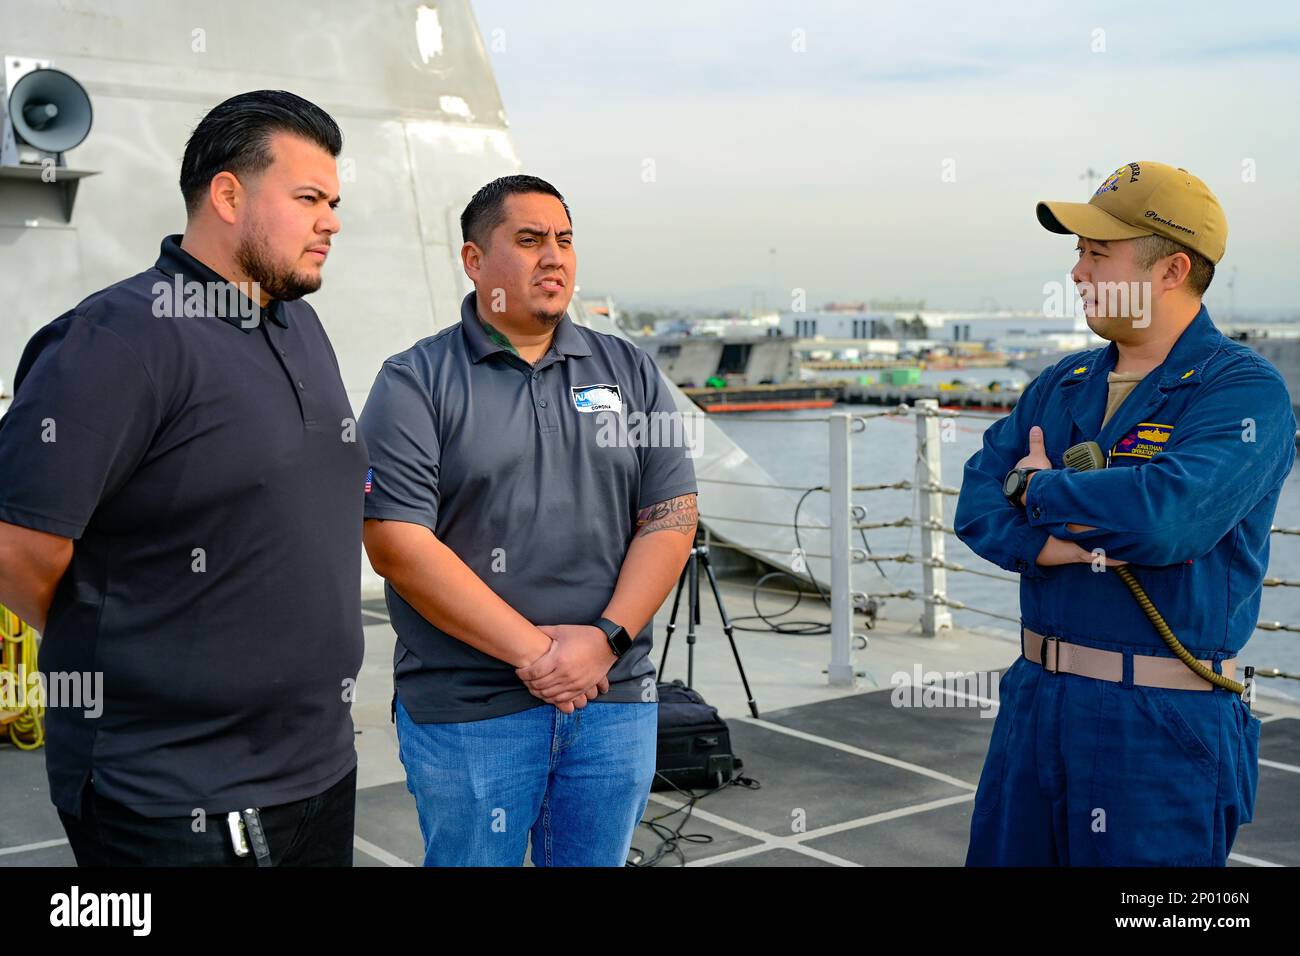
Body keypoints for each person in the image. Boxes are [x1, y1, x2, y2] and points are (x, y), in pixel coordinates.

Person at [0, 90, 366, 866]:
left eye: (333, 201)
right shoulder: (115, 342)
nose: (331, 220)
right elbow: (17, 549)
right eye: (308, 198)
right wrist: (144, 660)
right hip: (174, 802)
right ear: (228, 194)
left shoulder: (299, 323)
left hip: (321, 773)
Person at [956, 161, 1295, 866]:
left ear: (1171, 270)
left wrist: (1036, 491)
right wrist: (1050, 543)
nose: (1077, 271)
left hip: (1161, 727)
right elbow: (975, 499)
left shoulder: (1244, 393)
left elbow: (1165, 519)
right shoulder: (1063, 381)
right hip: (1035, 704)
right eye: (1079, 252)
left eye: (1097, 253)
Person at [360, 174, 698, 867]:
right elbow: (396, 542)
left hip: (613, 699)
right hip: (472, 712)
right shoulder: (414, 380)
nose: (555, 258)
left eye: (565, 241)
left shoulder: (628, 370)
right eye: (530, 239)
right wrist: (538, 656)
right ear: (475, 261)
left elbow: (670, 516)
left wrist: (604, 641)